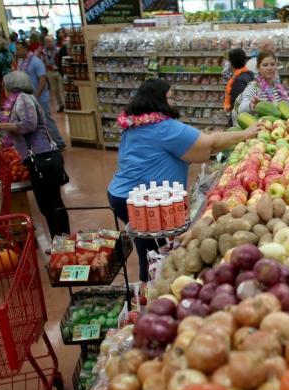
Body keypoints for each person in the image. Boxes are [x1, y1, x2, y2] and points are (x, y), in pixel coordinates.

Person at [107, 79, 261, 283]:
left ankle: (148, 287)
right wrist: (246, 133)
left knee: (146, 246)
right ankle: (154, 289)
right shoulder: (164, 127)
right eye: (170, 97)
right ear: (159, 100)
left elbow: (185, 152)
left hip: (121, 194)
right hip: (143, 201)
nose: (174, 102)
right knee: (155, 249)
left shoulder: (137, 123)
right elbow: (209, 144)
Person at [0, 71, 70, 238]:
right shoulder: (19, 100)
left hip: (42, 157)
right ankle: (59, 241)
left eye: (5, 85)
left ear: (11, 85)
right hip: (41, 156)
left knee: (51, 204)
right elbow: (10, 118)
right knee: (50, 205)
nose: (3, 88)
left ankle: (63, 242)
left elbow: (29, 124)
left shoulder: (24, 99)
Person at [15, 40, 66, 150]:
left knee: (46, 120)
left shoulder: (36, 62)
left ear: (25, 49)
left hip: (39, 97)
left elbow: (42, 79)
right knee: (32, 121)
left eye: (18, 49)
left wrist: (36, 96)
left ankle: (59, 142)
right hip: (27, 97)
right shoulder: (20, 62)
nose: (17, 52)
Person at [235, 52, 289, 117]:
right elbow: (241, 109)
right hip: (261, 125)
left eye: (272, 64)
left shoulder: (279, 87)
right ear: (258, 67)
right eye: (265, 65)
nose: (270, 68)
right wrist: (251, 105)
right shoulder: (254, 86)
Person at [224, 48, 253, 125]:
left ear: (231, 63)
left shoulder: (238, 80)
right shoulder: (250, 74)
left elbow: (238, 104)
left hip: (241, 120)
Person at [42, 36, 64, 112]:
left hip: (59, 71)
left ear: (53, 41)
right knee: (54, 90)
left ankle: (66, 104)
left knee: (62, 88)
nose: (49, 43)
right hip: (50, 72)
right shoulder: (44, 51)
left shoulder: (58, 50)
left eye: (50, 41)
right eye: (47, 41)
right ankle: (60, 105)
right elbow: (43, 61)